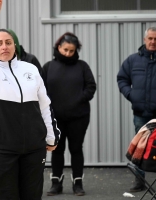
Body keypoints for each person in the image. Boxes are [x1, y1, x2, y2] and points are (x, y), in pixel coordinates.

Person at [0, 0, 60, 199]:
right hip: (1, 150)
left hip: (34, 148)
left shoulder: (30, 69)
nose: (5, 47)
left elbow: (44, 105)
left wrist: (51, 135)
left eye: (9, 42)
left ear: (15, 46)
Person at [42, 32, 96, 196]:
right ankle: (55, 183)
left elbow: (91, 87)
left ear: (75, 51)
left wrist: (78, 99)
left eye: (71, 51)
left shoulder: (82, 66)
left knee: (76, 148)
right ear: (59, 47)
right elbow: (40, 90)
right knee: (56, 149)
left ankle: (77, 184)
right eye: (65, 50)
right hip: (55, 117)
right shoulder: (48, 67)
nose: (68, 53)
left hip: (78, 117)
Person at [117, 26, 156, 192]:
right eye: (150, 38)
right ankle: (140, 182)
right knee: (140, 148)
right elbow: (122, 79)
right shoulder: (133, 60)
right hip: (141, 114)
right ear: (144, 39)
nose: (153, 42)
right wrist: (131, 95)